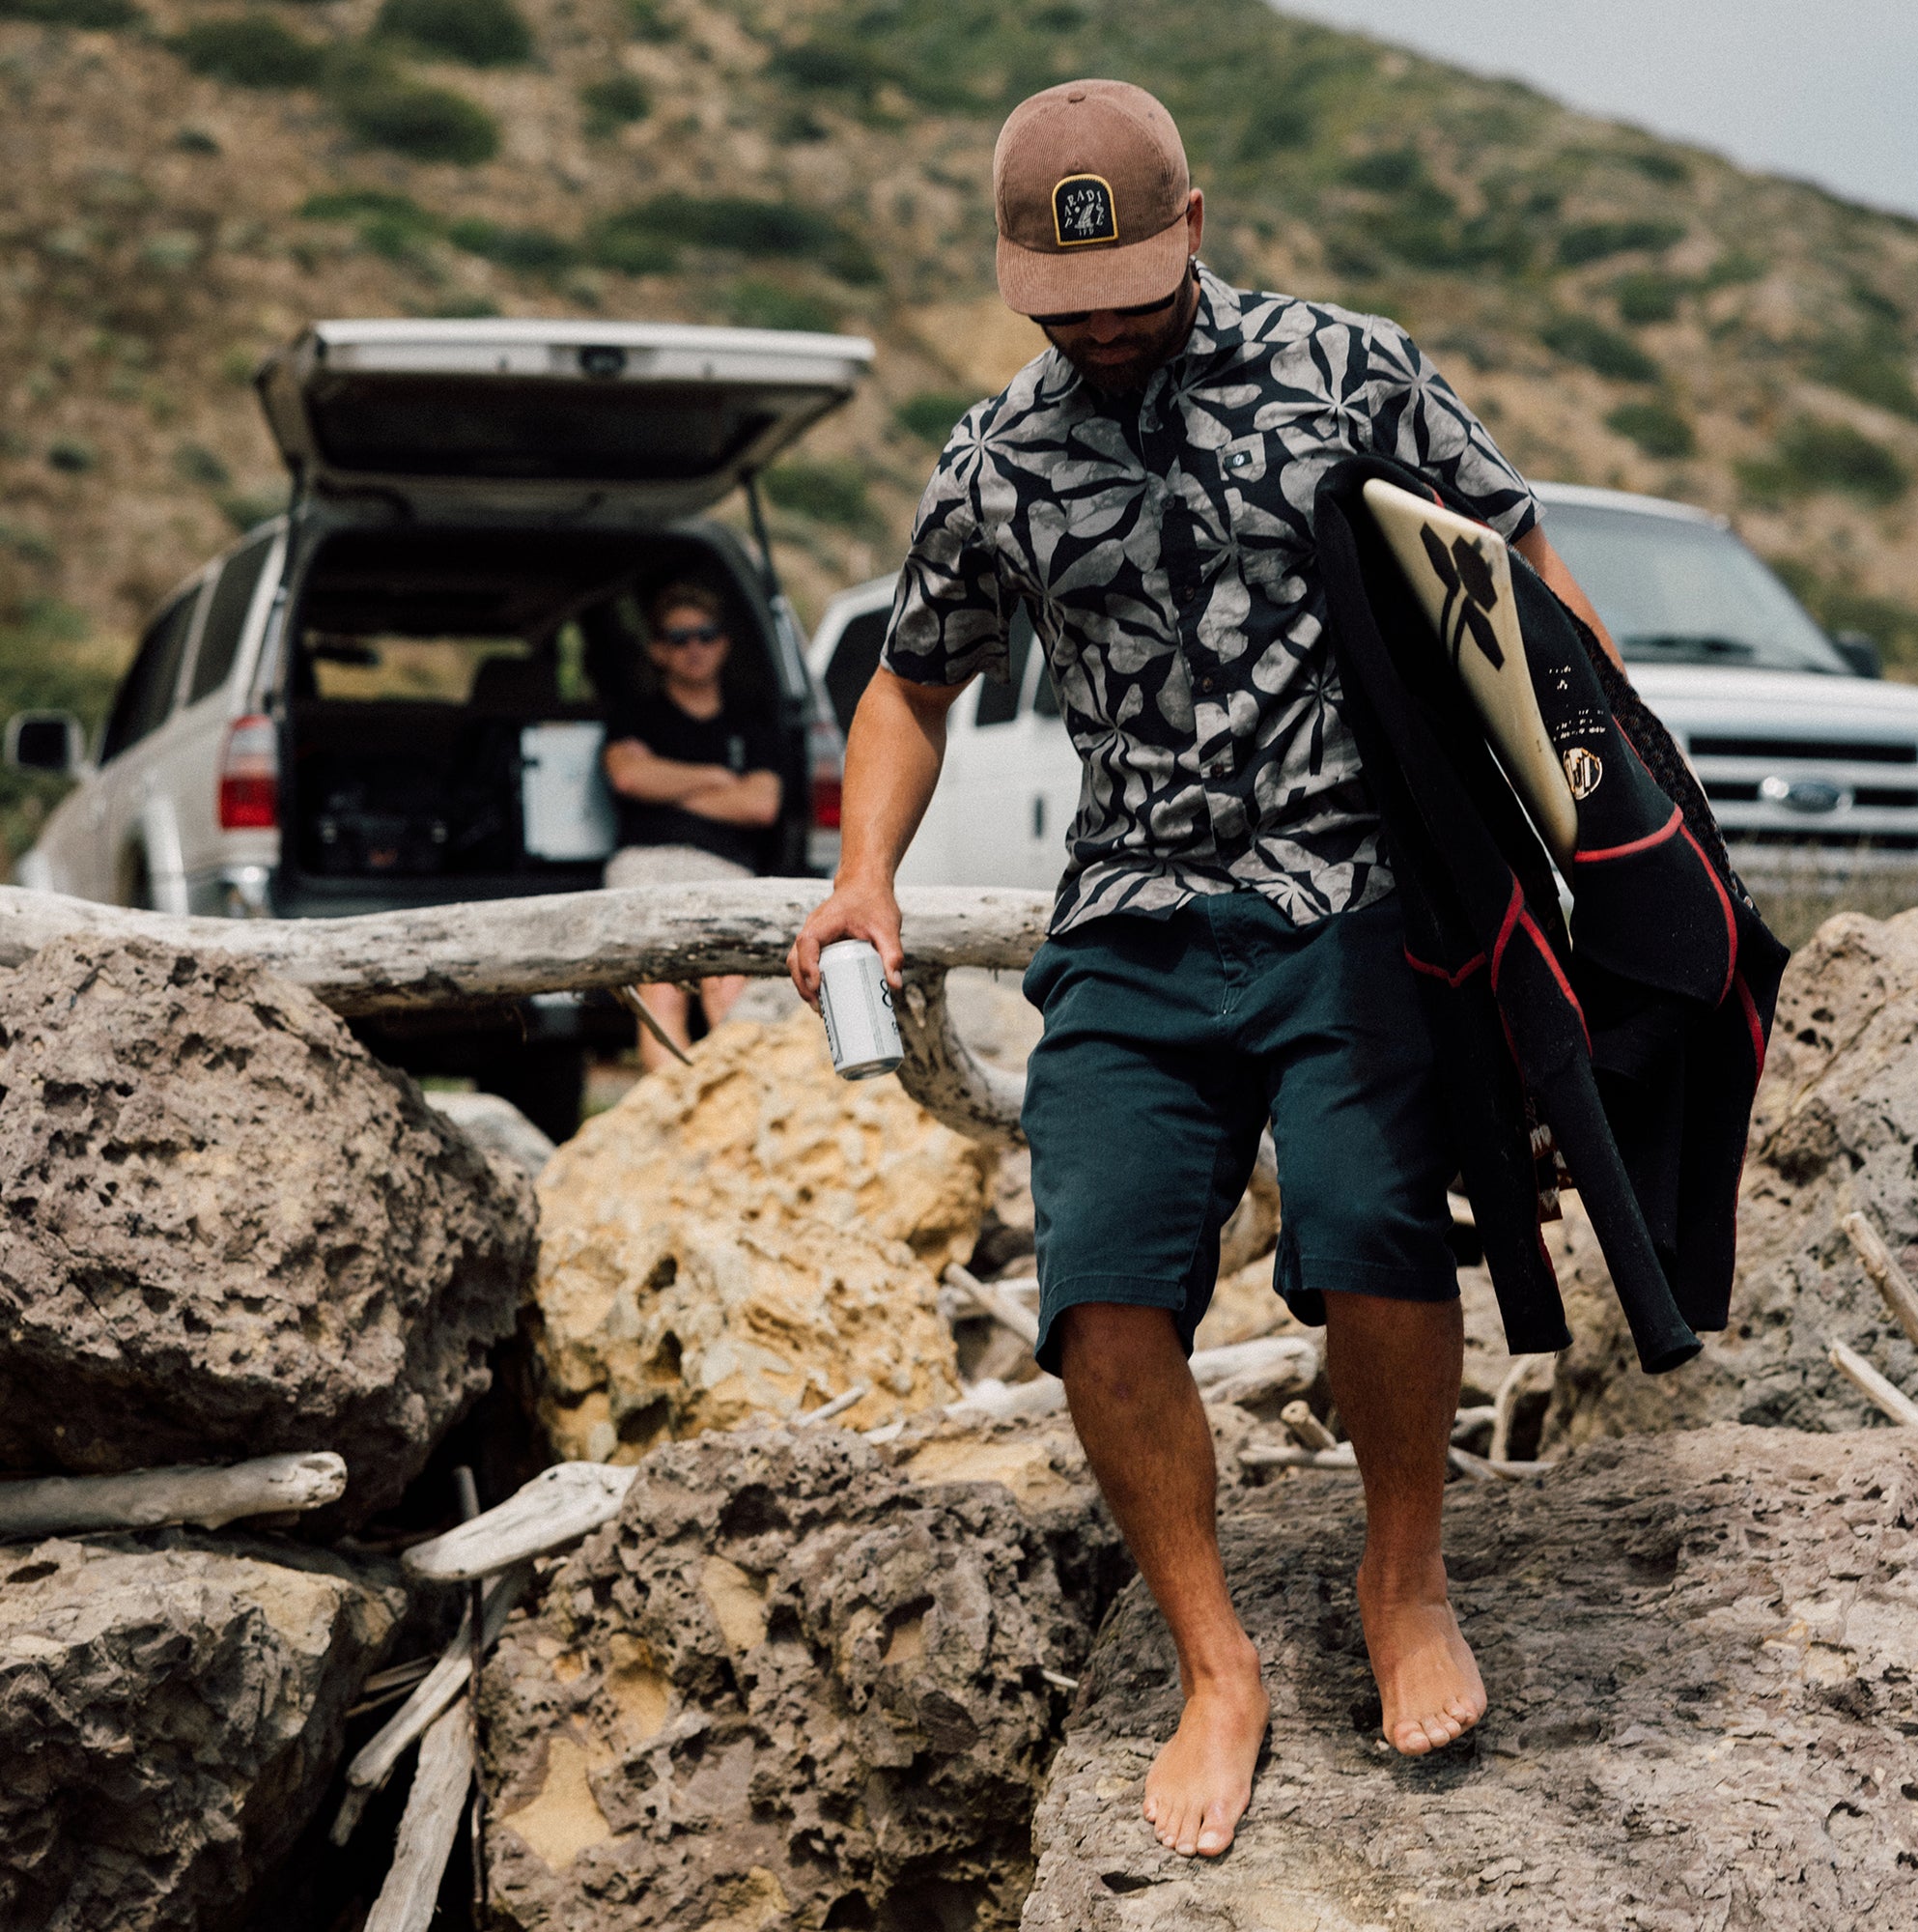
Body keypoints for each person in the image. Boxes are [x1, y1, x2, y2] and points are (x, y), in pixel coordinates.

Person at [790, 81, 1625, 1861]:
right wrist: (863, 876)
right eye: (1061, 307)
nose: (1098, 331)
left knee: (1369, 1226)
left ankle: (1405, 1585)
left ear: (1198, 223)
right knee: (1098, 1283)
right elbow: (909, 681)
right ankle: (1215, 1665)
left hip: (1353, 892)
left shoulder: (1351, 369)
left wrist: (1595, 825)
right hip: (1134, 916)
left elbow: (1522, 575)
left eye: (1132, 297)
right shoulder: (999, 455)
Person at [604, 581, 783, 1071]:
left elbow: (761, 806)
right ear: (658, 650)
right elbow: (627, 775)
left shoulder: (752, 721)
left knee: (727, 995)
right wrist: (715, 778)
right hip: (646, 864)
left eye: (705, 635)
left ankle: (729, 1116)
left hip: (723, 865)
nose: (694, 648)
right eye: (679, 638)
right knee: (661, 1000)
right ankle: (673, 1121)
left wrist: (667, 782)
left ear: (723, 643)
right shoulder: (634, 713)